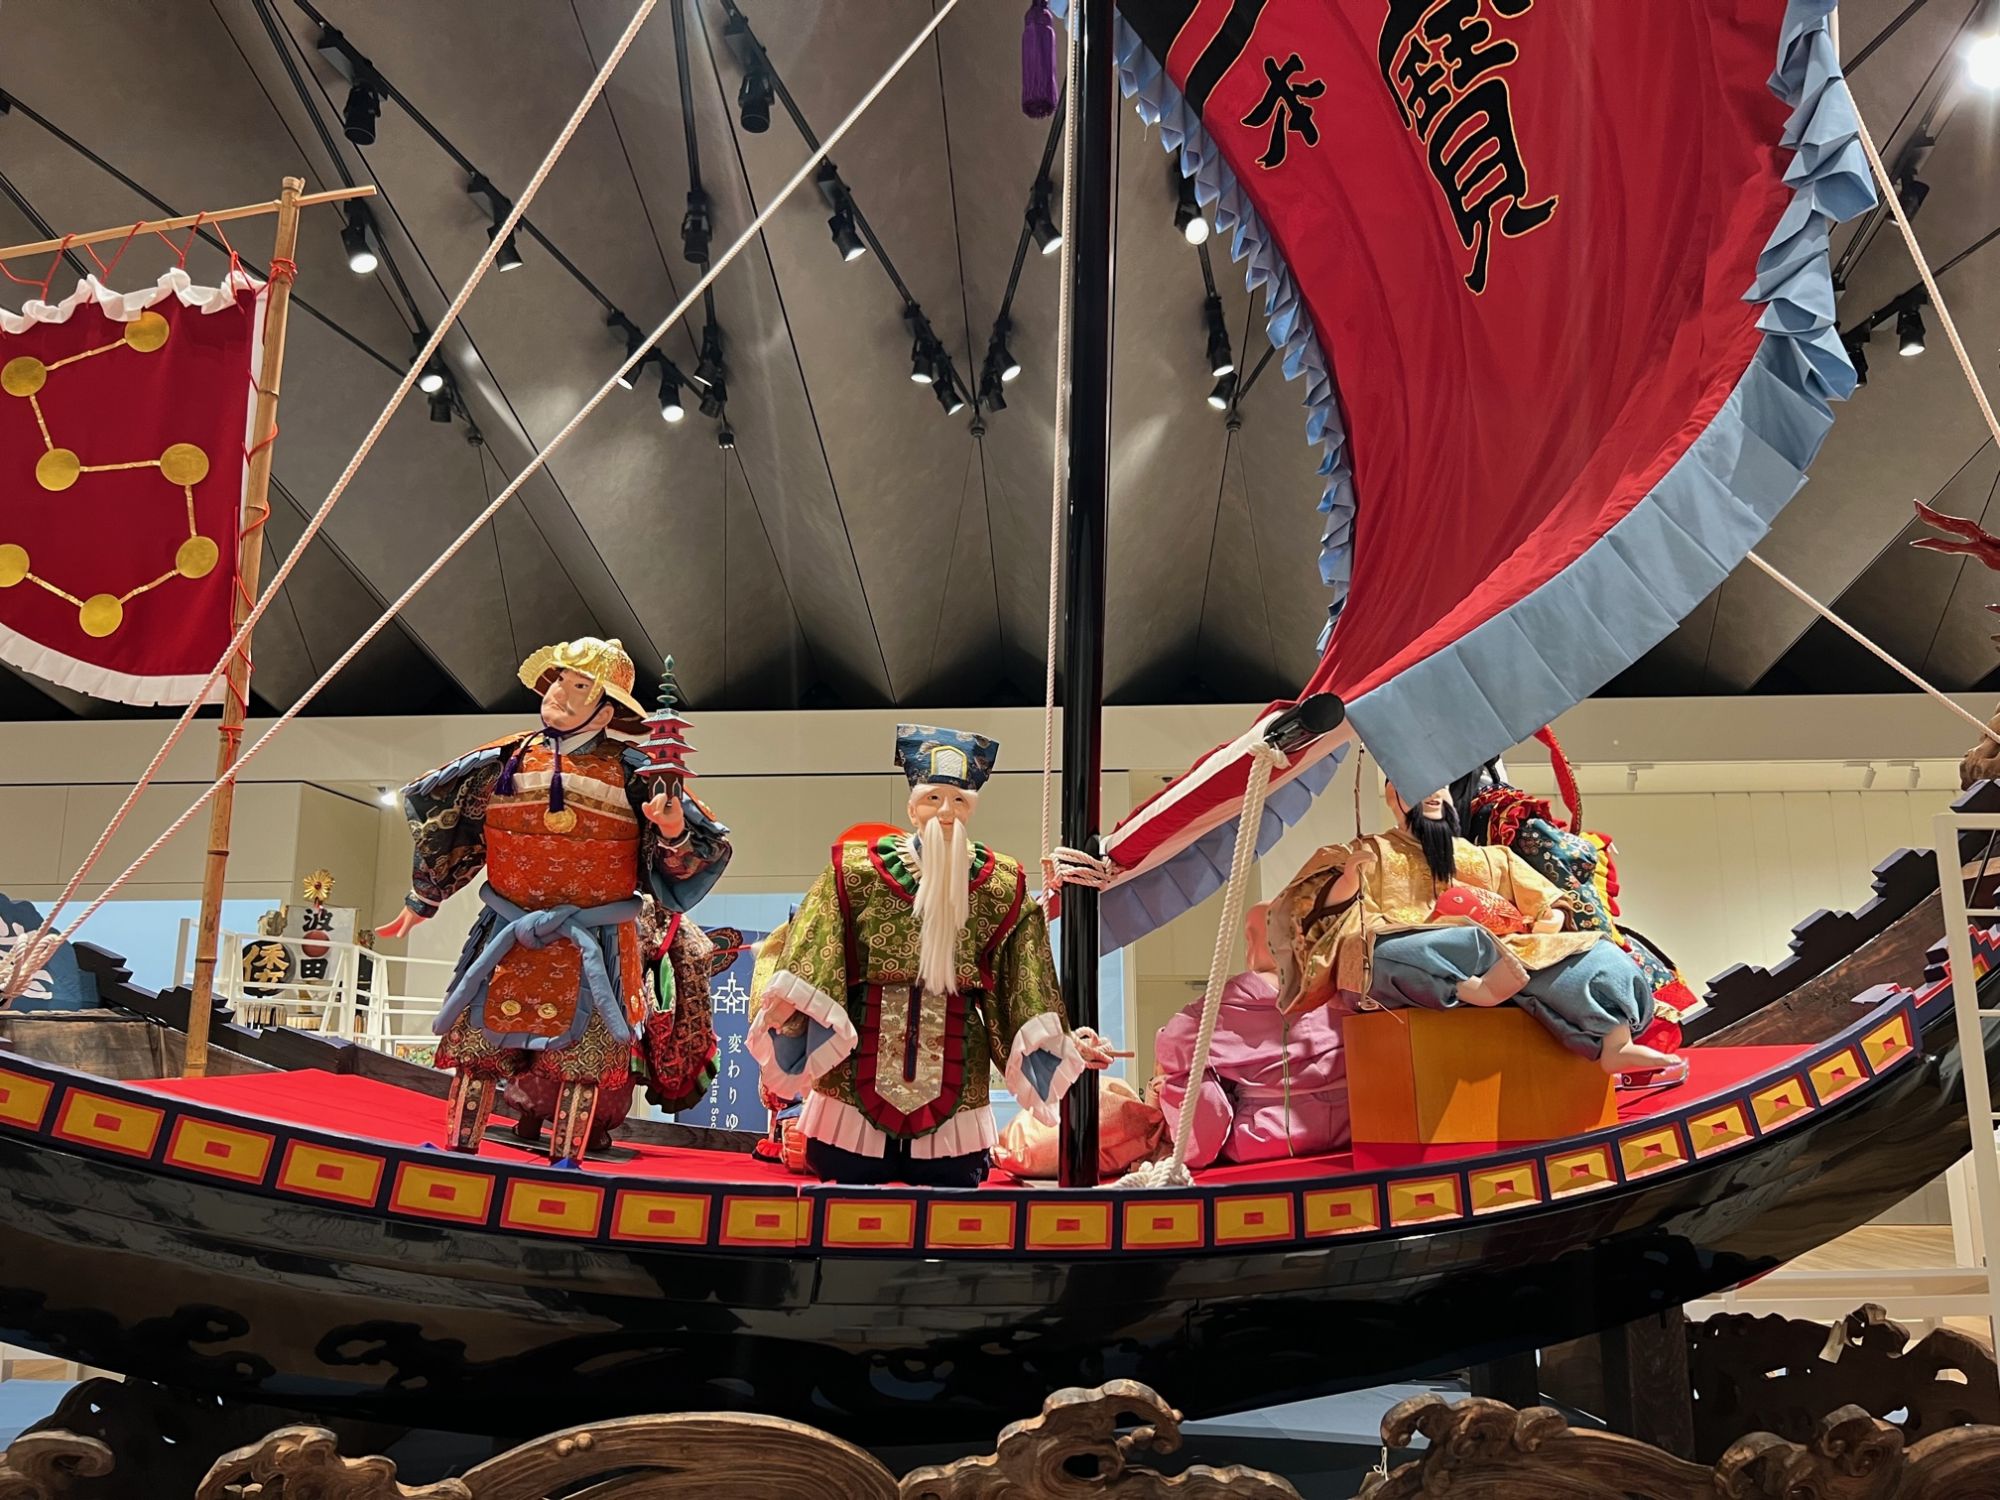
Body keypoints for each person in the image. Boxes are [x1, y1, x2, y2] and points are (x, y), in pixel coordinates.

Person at [377, 637, 730, 1164]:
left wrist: (673, 830)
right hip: (507, 931)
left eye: (579, 685)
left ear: (605, 710)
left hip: (597, 940)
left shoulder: (636, 774)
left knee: (584, 1066)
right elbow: (455, 829)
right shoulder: (502, 760)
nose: (560, 692)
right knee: (477, 1053)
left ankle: (568, 1164)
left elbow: (699, 853)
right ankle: (458, 1153)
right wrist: (423, 898)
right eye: (559, 680)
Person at [746, 725, 1089, 1186]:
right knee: (849, 1188)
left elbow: (1024, 981)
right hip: (855, 1075)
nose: (946, 812)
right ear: (912, 808)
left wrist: (1055, 1043)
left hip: (956, 1071)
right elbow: (816, 953)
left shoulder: (1000, 886)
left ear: (972, 809)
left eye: (959, 801)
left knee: (948, 1196)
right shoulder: (857, 872)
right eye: (933, 799)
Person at [1269, 782, 1681, 1079]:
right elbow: (1318, 909)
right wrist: (1347, 882)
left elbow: (1547, 898)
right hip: (1433, 957)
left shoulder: (1489, 857)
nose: (1432, 795)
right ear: (1394, 797)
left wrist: (1550, 918)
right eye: (1418, 788)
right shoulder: (1374, 851)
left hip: (1510, 957)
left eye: (1439, 788)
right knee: (1381, 951)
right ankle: (1471, 988)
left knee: (1597, 953)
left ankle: (1615, 1042)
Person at [1155, 902, 1349, 1168]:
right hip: (1350, 1130)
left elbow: (1177, 1048)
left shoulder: (1222, 1006)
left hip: (1265, 1140)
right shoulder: (1344, 985)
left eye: (1249, 937)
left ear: (1256, 942)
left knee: (1184, 1072)